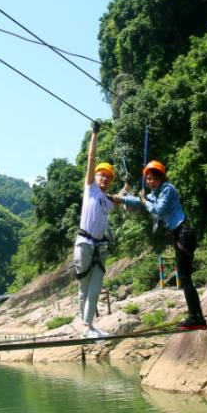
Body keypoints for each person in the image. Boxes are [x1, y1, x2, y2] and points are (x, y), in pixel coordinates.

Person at [119, 160, 207, 330]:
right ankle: (197, 316)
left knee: (184, 278)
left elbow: (157, 210)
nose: (150, 181)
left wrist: (145, 201)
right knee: (184, 277)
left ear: (161, 177)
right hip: (179, 235)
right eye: (148, 179)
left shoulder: (167, 189)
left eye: (153, 178)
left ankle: (196, 317)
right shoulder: (156, 193)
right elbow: (138, 201)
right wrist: (119, 198)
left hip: (184, 233)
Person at [74, 121, 119, 338]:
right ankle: (86, 327)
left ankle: (88, 325)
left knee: (94, 287)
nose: (103, 177)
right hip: (84, 242)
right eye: (101, 174)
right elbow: (91, 160)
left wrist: (128, 187)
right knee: (83, 287)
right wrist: (94, 134)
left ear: (110, 181)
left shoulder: (108, 200)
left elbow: (120, 199)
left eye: (107, 176)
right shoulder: (90, 188)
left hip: (100, 247)